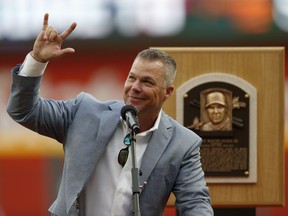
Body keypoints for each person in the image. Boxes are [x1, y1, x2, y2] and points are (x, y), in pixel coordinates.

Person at [6, 13, 213, 216]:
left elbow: (195, 202)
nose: (135, 88)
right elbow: (24, 110)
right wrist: (36, 61)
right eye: (132, 78)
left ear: (167, 92)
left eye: (147, 82)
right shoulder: (84, 112)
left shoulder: (183, 144)